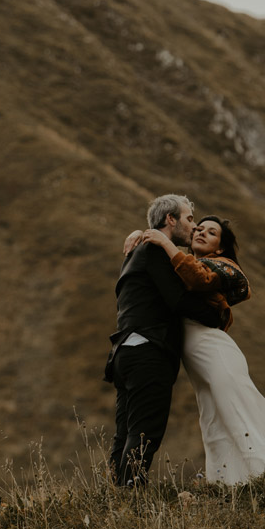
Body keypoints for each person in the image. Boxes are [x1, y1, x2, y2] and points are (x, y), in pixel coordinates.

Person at [129, 214, 265, 483]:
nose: (201, 232)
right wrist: (137, 236)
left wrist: (165, 244)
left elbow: (199, 279)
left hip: (214, 348)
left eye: (211, 232)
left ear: (220, 247)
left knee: (235, 406)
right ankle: (226, 482)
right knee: (212, 416)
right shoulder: (182, 263)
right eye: (198, 229)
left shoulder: (223, 266)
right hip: (195, 353)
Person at [104, 193, 196, 485]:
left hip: (125, 352)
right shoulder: (154, 251)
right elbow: (179, 300)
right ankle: (131, 498)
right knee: (145, 433)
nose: (193, 227)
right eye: (189, 219)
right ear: (171, 219)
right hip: (148, 351)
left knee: (126, 432)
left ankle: (117, 496)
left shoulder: (137, 250)